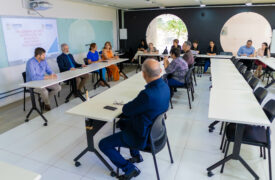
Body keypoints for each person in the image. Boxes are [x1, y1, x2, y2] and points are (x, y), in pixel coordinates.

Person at [99, 59, 170, 180]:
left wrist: (133, 103)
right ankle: (136, 156)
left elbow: (126, 110)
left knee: (103, 144)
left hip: (142, 135)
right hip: (158, 132)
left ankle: (129, 168)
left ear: (143, 74)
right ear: (160, 71)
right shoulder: (165, 85)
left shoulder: (147, 94)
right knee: (122, 123)